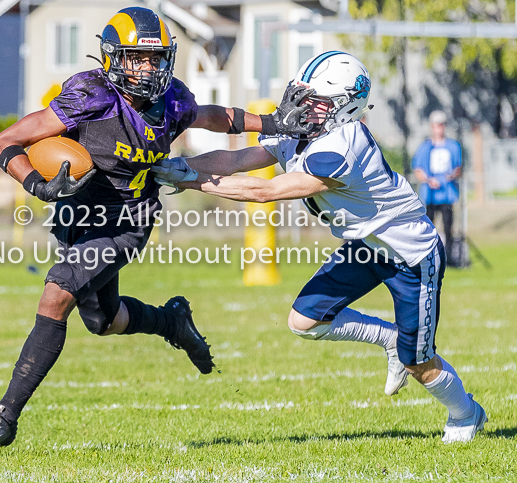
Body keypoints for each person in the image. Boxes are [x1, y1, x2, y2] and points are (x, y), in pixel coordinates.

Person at [0, 7, 294, 448]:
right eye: (137, 57)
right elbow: (5, 141)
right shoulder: (91, 96)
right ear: (113, 57)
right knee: (102, 320)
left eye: (155, 58)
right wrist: (36, 183)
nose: (148, 68)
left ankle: (4, 417)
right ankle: (172, 323)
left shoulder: (172, 100)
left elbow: (213, 115)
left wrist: (272, 122)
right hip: (78, 217)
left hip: (127, 222)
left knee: (56, 295)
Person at [153, 51, 487, 443]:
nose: (302, 106)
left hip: (410, 256)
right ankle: (389, 339)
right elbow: (239, 157)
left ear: (345, 107)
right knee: (304, 321)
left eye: (316, 101)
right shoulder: (308, 129)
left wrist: (192, 179)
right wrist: (185, 164)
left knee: (419, 363)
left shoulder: (343, 145)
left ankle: (466, 414)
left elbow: (265, 191)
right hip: (365, 244)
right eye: (303, 94)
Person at [412, 111, 462, 264]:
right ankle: (428, 258)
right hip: (430, 195)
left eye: (442, 125)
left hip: (447, 194)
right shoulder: (425, 147)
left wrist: (452, 175)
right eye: (437, 125)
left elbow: (458, 167)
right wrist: (428, 180)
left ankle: (449, 258)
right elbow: (418, 169)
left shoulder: (453, 146)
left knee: (448, 228)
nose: (439, 129)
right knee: (428, 229)